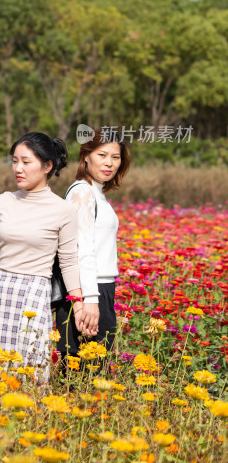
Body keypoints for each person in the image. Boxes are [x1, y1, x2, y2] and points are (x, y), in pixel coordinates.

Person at [0, 132, 83, 386]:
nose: (18, 168)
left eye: (26, 162)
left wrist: (79, 303)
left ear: (47, 166)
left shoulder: (63, 210)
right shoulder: (3, 202)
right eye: (14, 161)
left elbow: (69, 261)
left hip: (34, 291)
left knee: (29, 366)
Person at [55, 129, 131, 363]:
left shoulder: (95, 192)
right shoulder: (82, 193)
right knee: (87, 371)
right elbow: (82, 250)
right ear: (86, 155)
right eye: (102, 155)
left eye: (115, 157)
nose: (109, 163)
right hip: (90, 289)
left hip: (100, 288)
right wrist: (89, 300)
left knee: (93, 370)